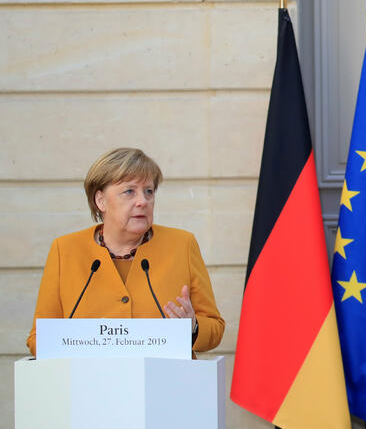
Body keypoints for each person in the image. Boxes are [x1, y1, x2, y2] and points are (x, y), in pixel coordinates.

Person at [27, 148, 224, 356]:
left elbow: (215, 328)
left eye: (149, 191)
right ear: (100, 201)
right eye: (129, 191)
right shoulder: (65, 250)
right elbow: (38, 338)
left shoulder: (182, 245)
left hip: (164, 383)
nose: (143, 201)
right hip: (88, 384)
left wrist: (192, 327)